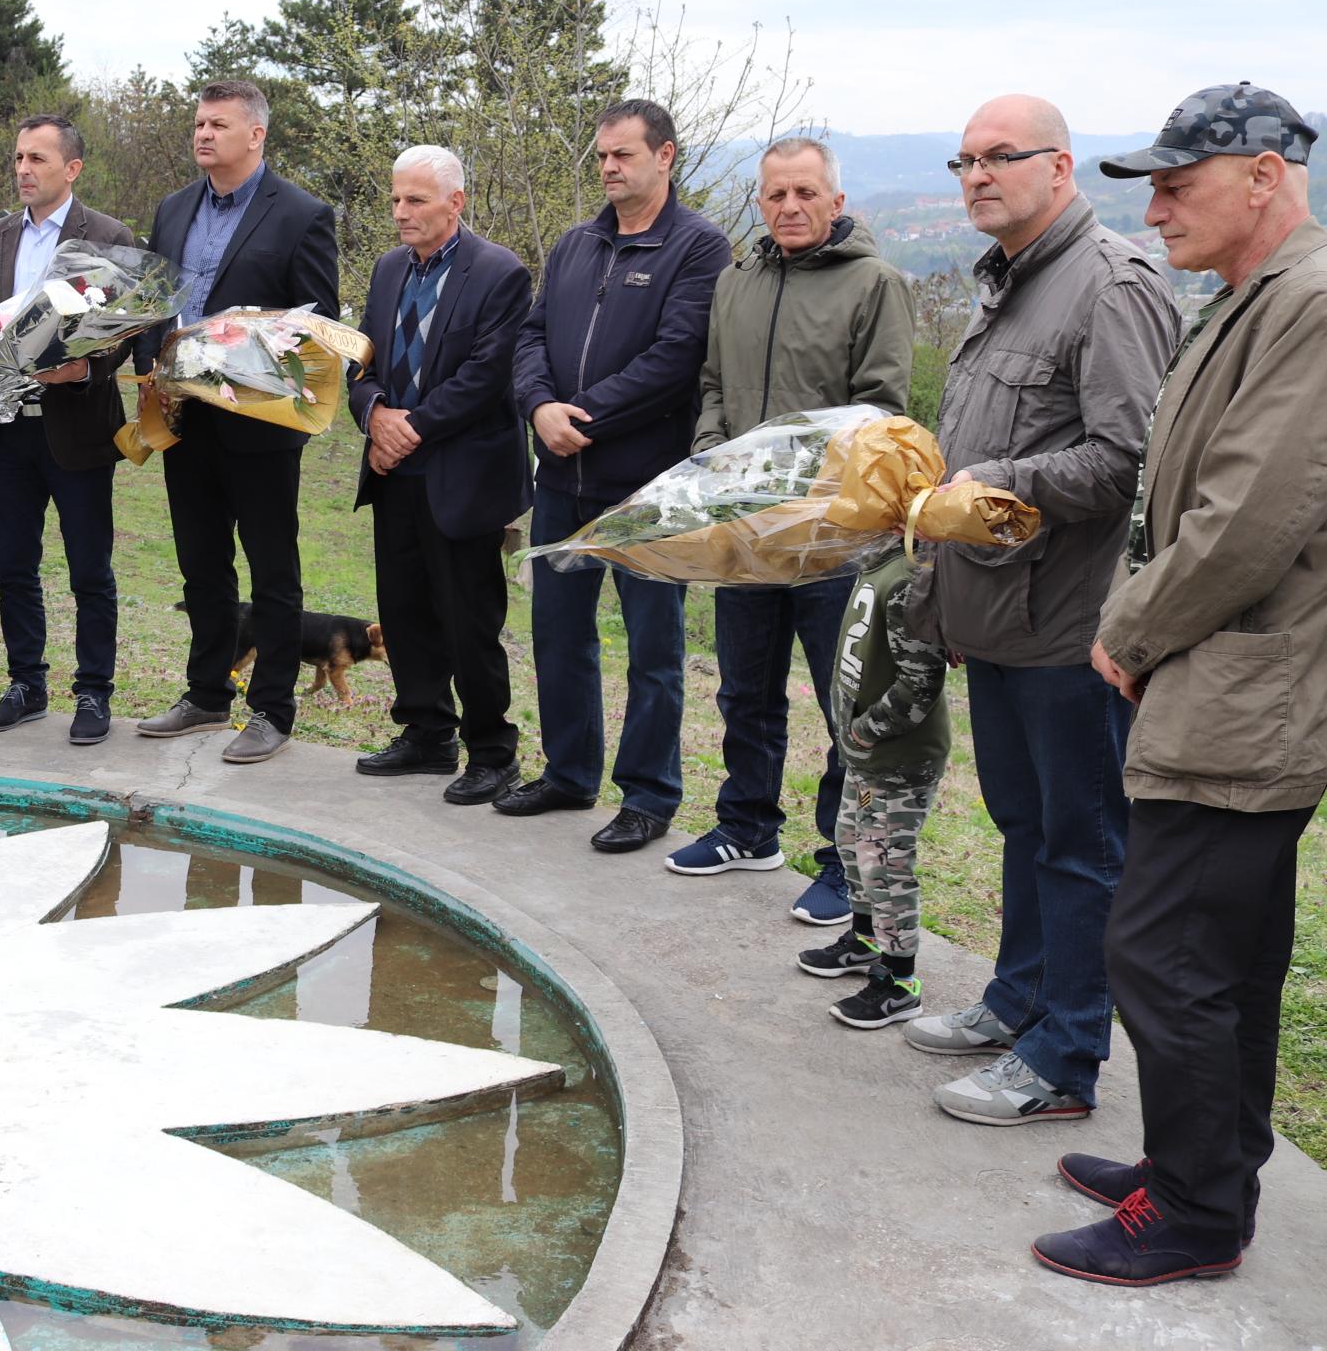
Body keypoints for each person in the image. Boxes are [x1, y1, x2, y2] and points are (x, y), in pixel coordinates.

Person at [1031, 85, 1323, 1287]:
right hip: (1234, 675)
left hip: (1247, 686)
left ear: (1264, 175)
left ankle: (1197, 1213)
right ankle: (1205, 1159)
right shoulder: (1252, 298)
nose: (1153, 208)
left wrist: (1132, 628)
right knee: (1225, 952)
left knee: (1163, 954)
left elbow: (1249, 514)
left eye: (1176, 184)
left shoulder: (1307, 305)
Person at [906, 95, 1177, 1130]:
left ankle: (1065, 1056)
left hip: (1072, 629)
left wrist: (994, 478)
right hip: (998, 617)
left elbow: (1131, 462)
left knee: (1080, 842)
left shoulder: (1109, 284)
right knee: (1024, 825)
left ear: (1059, 169)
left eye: (1000, 157)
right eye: (963, 159)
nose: (977, 175)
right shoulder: (1009, 279)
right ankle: (1017, 998)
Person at [674, 137, 913, 923]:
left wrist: (808, 492)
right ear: (760, 201)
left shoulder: (873, 284)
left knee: (846, 701)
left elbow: (881, 409)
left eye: (806, 193)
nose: (790, 207)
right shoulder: (737, 281)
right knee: (745, 688)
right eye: (776, 194)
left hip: (833, 536)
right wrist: (713, 457)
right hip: (747, 531)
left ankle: (846, 862)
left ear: (835, 202)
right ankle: (746, 825)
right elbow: (713, 385)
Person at [504, 99, 732, 846]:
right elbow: (532, 336)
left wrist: (582, 417)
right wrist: (540, 407)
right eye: (602, 155)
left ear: (665, 157)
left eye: (624, 155)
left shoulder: (698, 248)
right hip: (560, 482)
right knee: (557, 634)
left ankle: (649, 795)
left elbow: (675, 359)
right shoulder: (576, 244)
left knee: (653, 649)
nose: (609, 167)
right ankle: (570, 776)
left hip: (648, 485)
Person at [134, 80, 338, 764]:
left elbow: (315, 326)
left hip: (258, 425)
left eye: (218, 124)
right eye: (197, 122)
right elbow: (154, 302)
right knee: (200, 566)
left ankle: (273, 709)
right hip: (184, 419)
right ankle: (206, 694)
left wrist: (237, 356)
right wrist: (150, 372)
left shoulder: (303, 215)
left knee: (271, 568)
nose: (202, 134)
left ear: (256, 135)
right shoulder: (172, 209)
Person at [349, 144, 531, 803]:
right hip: (395, 472)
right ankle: (426, 732)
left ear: (455, 202)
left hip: (464, 476)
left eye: (415, 200)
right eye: (395, 199)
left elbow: (487, 376)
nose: (401, 212)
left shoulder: (500, 273)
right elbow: (360, 362)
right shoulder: (388, 269)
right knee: (403, 612)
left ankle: (492, 751)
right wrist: (373, 415)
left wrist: (407, 428)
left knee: (468, 619)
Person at [0, 115, 136, 746]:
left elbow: (126, 330)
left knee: (90, 569)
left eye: (37, 158)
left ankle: (93, 693)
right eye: (17, 158)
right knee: (14, 566)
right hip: (7, 429)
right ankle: (26, 685)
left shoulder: (110, 236)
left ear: (72, 168)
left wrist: (86, 366)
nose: (23, 170)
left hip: (79, 430)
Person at [796, 548, 948, 1029]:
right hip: (864, 755)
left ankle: (900, 982)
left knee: (884, 862)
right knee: (850, 841)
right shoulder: (874, 564)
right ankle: (864, 941)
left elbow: (919, 684)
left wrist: (864, 730)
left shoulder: (907, 579)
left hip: (897, 759)